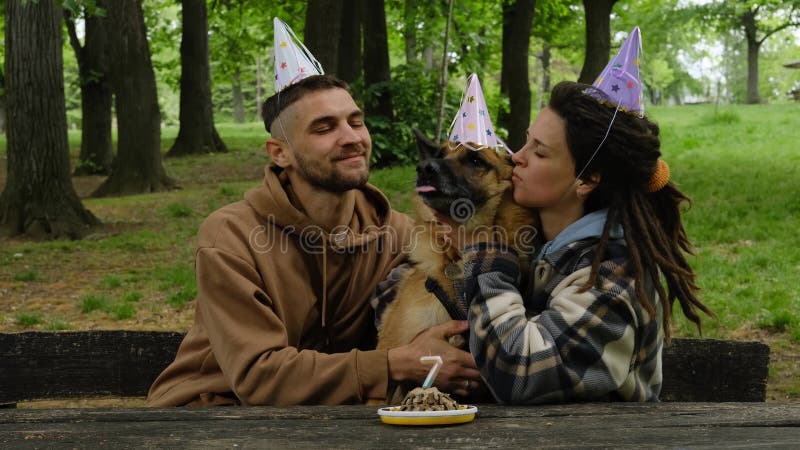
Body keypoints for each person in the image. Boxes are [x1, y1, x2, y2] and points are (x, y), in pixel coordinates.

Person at [146, 74, 481, 406]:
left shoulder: (398, 233)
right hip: (210, 411)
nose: (351, 138)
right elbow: (258, 377)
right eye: (324, 128)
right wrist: (395, 364)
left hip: (332, 417)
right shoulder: (231, 237)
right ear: (280, 153)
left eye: (356, 122)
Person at [458, 79, 715, 404]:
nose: (517, 158)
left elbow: (519, 372)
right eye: (525, 142)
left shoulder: (615, 273)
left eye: (539, 152)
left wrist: (486, 245)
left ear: (588, 180)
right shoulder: (536, 248)